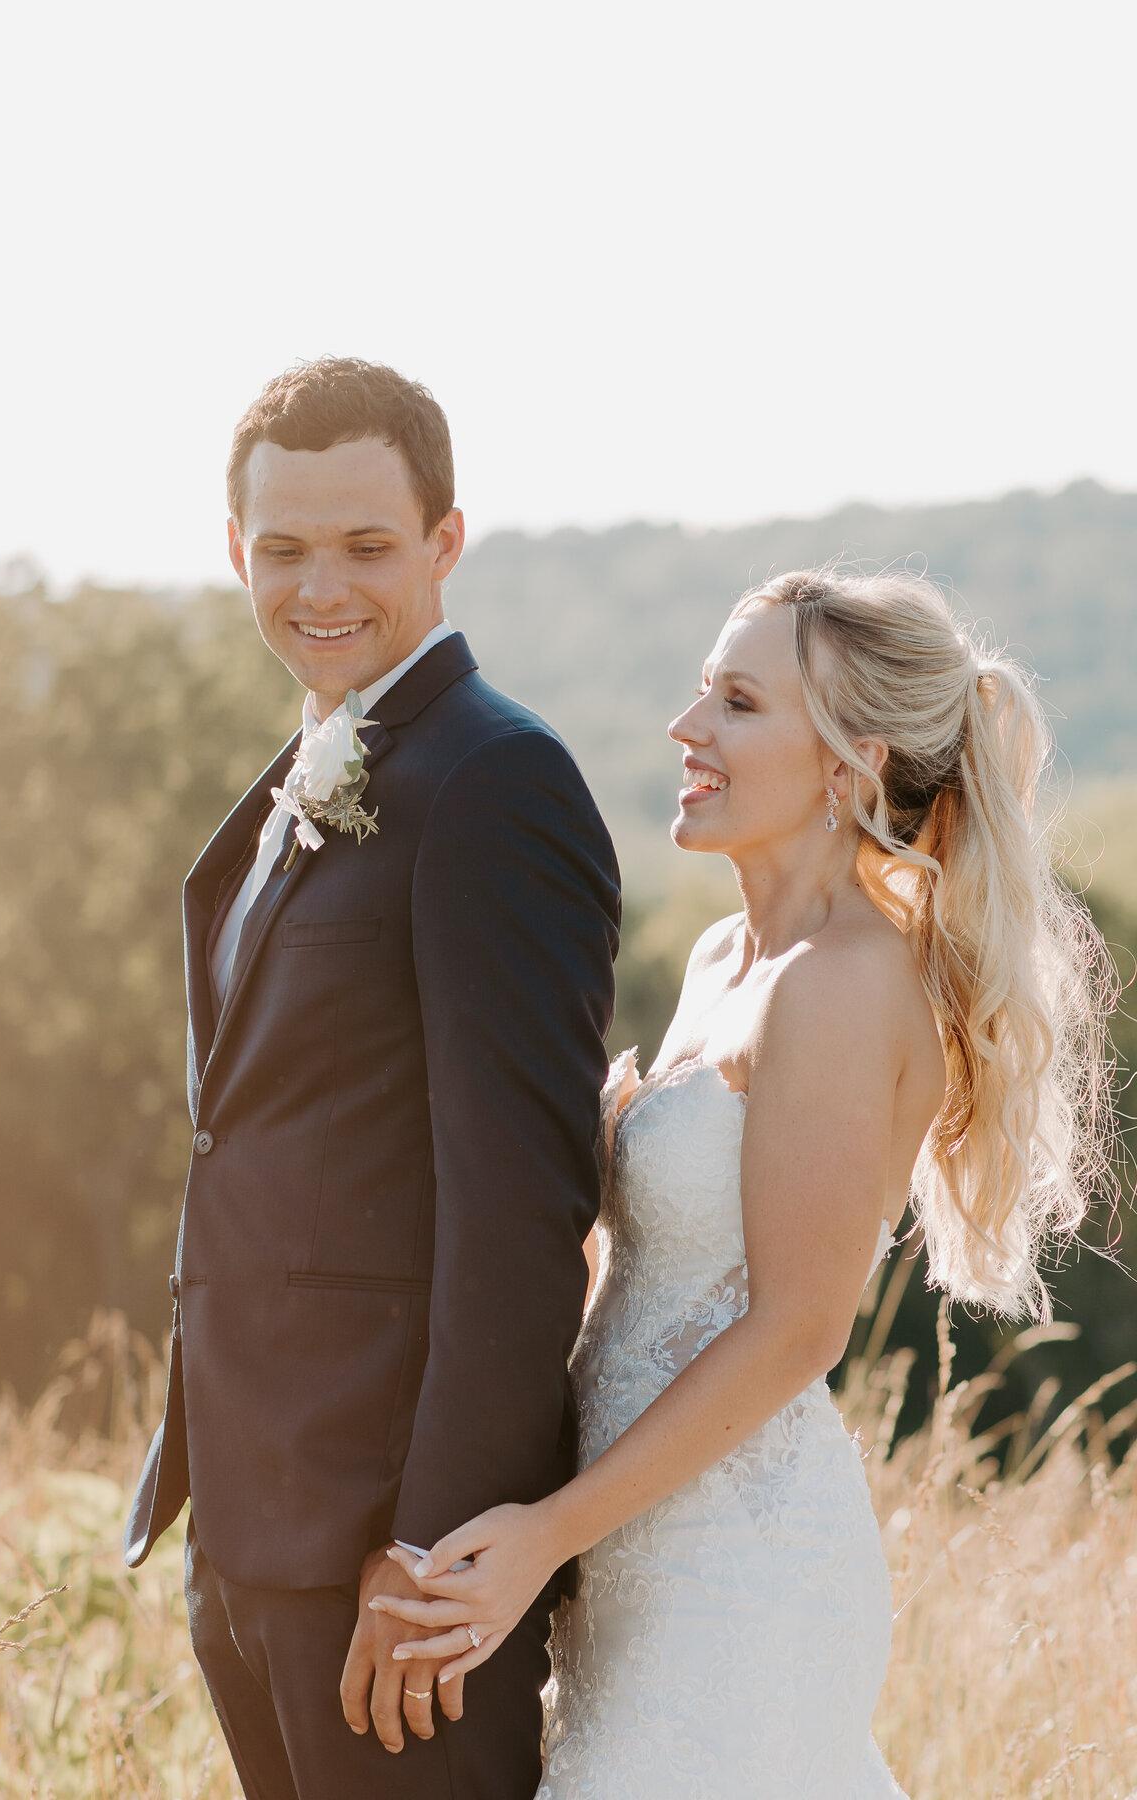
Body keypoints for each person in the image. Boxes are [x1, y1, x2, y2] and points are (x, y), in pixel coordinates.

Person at [371, 569, 1116, 1798]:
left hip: (736, 1575)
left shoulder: (843, 982)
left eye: (737, 703)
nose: (686, 728)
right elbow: (663, 1277)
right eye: (702, 693)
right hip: (630, 1547)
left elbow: (795, 1330)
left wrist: (544, 1534)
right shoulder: (728, 954)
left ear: (846, 766)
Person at [123, 356, 621, 1800]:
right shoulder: (322, 763)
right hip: (253, 1514)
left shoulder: (492, 784)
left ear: (446, 542)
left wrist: (434, 1557)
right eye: (282, 549)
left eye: (365, 545)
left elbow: (523, 1213)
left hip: (384, 1560)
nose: (318, 586)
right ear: (235, 551)